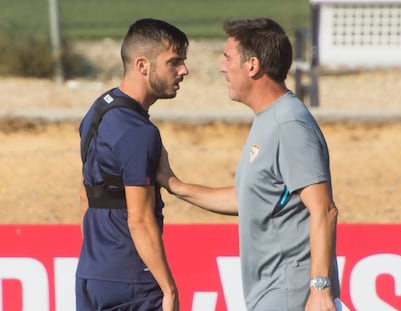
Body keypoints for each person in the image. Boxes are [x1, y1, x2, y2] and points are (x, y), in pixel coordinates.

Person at [157, 18, 341, 311]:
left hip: (292, 295)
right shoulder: (269, 119)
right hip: (271, 294)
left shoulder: (289, 124)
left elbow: (324, 209)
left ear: (252, 66)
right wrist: (175, 185)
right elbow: (251, 198)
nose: (222, 66)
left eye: (228, 57)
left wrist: (320, 289)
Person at [76, 18, 189, 311]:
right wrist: (169, 290)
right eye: (174, 62)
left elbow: (85, 193)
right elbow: (139, 221)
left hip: (91, 275)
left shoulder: (98, 109)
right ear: (142, 65)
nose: (184, 71)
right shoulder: (139, 132)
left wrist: (100, 258)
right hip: (132, 283)